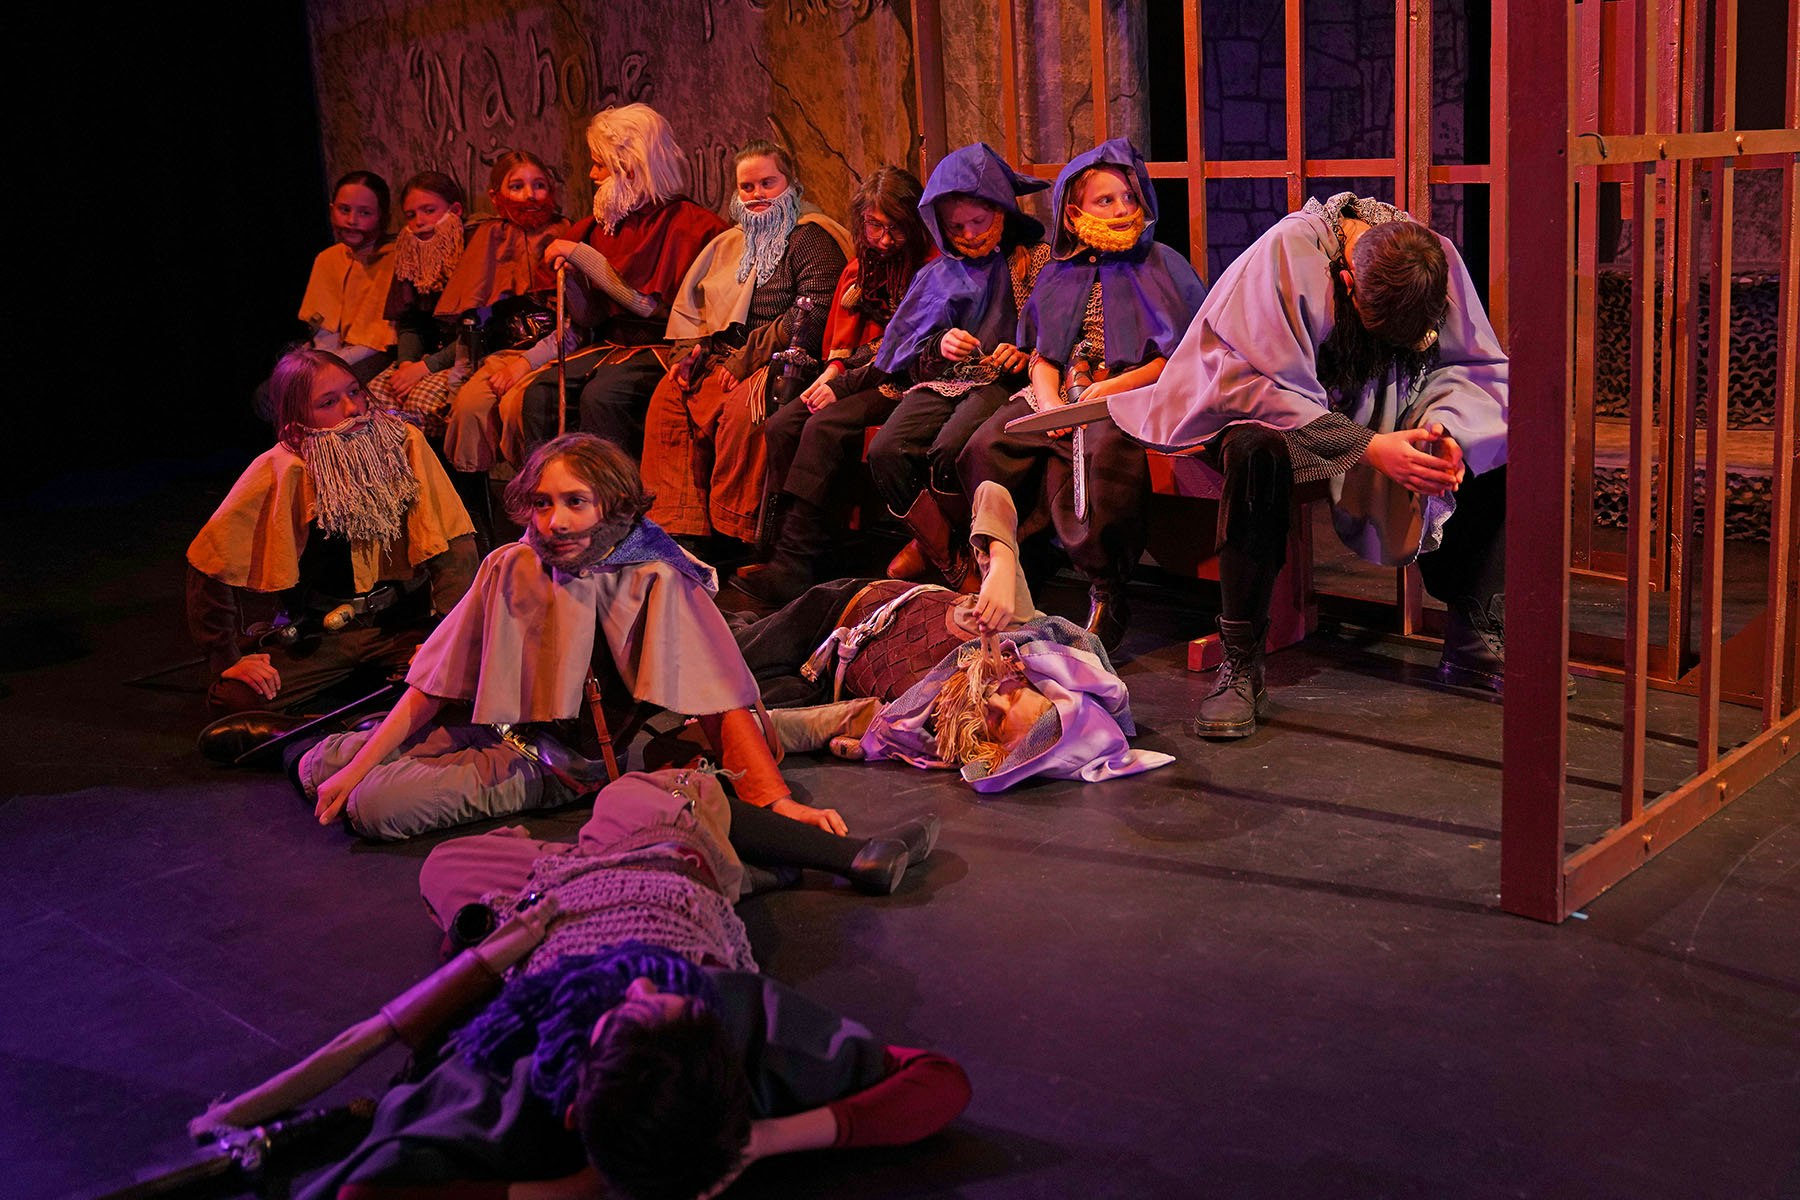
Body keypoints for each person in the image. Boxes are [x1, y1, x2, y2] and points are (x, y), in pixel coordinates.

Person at [285, 767, 971, 1199]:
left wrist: (563, 1190)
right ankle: (814, 855)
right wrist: (758, 1139)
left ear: (577, 1104)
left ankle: (748, 860)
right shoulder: (736, 1024)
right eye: (665, 1002)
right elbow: (941, 1085)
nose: (638, 986)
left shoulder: (521, 1076)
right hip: (655, 870)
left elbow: (367, 1189)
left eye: (624, 1016)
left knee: (452, 862)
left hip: (553, 899)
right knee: (657, 790)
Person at [296, 434, 860, 842]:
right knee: (323, 766)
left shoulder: (655, 578)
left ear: (611, 506)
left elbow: (719, 698)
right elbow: (436, 681)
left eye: (575, 502)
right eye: (543, 503)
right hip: (483, 726)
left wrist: (776, 801)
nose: (554, 523)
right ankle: (368, 761)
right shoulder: (512, 563)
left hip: (557, 764)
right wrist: (359, 763)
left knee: (373, 808)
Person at [1104, 191, 1512, 737]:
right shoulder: (1287, 253)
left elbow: (1471, 367)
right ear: (1348, 285)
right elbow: (1250, 386)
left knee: (1485, 434)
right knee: (1254, 456)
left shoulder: (1431, 257)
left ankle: (1472, 629)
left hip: (1365, 407)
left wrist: (1450, 429)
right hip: (1251, 408)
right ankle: (1242, 661)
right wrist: (1369, 447)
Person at [733, 482, 1172, 792]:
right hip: (838, 606)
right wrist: (1000, 564)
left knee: (731, 703)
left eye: (996, 722)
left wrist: (753, 729)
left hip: (820, 674)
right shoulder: (1014, 633)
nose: (992, 699)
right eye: (1015, 695)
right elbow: (992, 494)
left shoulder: (937, 731)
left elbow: (846, 719)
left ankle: (741, 635)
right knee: (723, 659)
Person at [960, 138, 1207, 652]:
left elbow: (1175, 357)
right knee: (988, 444)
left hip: (1134, 389)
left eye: (1129, 198)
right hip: (1064, 391)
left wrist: (1104, 391)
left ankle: (1107, 589)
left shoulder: (1162, 264)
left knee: (1100, 453)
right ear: (1073, 214)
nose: (1122, 210)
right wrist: (1050, 405)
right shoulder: (1059, 272)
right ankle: (1003, 563)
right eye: (1105, 200)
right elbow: (1042, 356)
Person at [190, 349, 478, 739]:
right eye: (328, 403)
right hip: (321, 637)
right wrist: (226, 657)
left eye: (355, 392)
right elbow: (210, 561)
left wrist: (446, 639)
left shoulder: (404, 444)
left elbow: (454, 546)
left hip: (400, 628)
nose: (352, 408)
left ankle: (364, 723)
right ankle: (345, 732)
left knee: (474, 683)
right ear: (296, 423)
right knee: (234, 700)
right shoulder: (284, 467)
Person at [731, 165, 934, 608]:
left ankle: (795, 565)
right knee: (784, 423)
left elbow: (901, 345)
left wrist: (839, 384)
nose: (884, 239)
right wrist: (831, 371)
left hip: (907, 380)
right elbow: (844, 340)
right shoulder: (861, 269)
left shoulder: (929, 268)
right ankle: (804, 544)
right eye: (874, 226)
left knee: (826, 426)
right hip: (859, 376)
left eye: (895, 227)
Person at [638, 141, 851, 551]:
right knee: (668, 398)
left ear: (790, 183)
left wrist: (745, 360)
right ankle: (681, 532)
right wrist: (686, 356)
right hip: (726, 355)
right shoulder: (730, 243)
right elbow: (696, 308)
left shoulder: (811, 237)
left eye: (767, 183)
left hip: (780, 359)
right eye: (747, 187)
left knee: (744, 411)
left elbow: (814, 310)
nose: (757, 195)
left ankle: (735, 537)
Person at [864, 143, 1051, 590]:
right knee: (885, 450)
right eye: (956, 227)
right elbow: (907, 345)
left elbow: (1057, 331)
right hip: (948, 379)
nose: (968, 234)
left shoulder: (1033, 260)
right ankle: (946, 554)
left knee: (951, 449)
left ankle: (955, 551)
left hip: (1003, 382)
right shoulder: (938, 272)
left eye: (978, 222)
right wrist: (941, 343)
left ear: (1002, 211)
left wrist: (1025, 354)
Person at [513, 104, 730, 461]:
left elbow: (650, 307)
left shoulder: (690, 226)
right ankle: (547, 493)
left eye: (600, 164)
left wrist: (582, 256)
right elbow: (590, 319)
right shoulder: (602, 225)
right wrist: (572, 284)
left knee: (605, 395)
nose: (591, 173)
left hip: (663, 347)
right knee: (543, 392)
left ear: (628, 165)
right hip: (612, 345)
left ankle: (614, 500)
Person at [253, 173, 399, 422]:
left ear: (382, 217)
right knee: (269, 394)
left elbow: (380, 338)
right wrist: (316, 358)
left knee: (316, 393)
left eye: (365, 213)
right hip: (330, 351)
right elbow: (322, 326)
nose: (352, 220)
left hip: (373, 353)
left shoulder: (394, 258)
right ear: (332, 210)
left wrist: (330, 363)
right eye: (344, 210)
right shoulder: (328, 258)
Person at [362, 172, 469, 434]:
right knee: (373, 398)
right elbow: (410, 321)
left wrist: (424, 368)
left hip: (465, 356)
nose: (419, 222)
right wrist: (406, 365)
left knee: (420, 402)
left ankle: (442, 473)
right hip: (426, 356)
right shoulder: (412, 254)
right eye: (410, 215)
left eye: (429, 210)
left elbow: (480, 331)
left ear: (454, 210)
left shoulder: (476, 250)